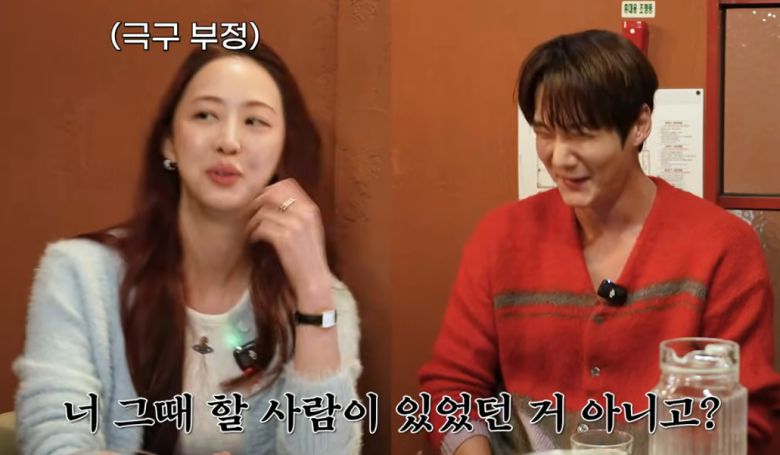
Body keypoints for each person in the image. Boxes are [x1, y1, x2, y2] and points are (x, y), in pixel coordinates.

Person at [419, 29, 780, 455]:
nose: (559, 157)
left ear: (640, 125)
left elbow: (748, 416)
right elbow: (451, 389)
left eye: (582, 134)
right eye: (545, 132)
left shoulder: (721, 246)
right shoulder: (501, 237)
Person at [14, 43, 362, 455]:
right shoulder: (79, 274)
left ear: (283, 148)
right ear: (169, 142)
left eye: (254, 121)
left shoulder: (323, 300)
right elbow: (55, 445)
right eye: (205, 115)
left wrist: (314, 294)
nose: (228, 141)